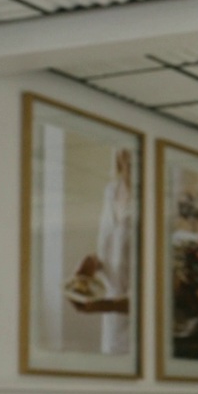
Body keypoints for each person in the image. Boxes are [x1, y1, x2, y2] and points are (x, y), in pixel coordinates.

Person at [71, 147, 134, 354]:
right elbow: (111, 249)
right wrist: (92, 264)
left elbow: (155, 298)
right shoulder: (111, 191)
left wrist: (100, 306)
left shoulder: (154, 200)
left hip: (137, 325)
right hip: (112, 323)